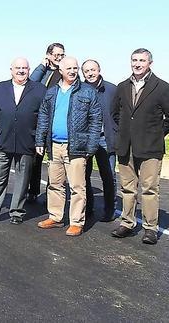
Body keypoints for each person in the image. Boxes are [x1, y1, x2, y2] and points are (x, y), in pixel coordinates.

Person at [35, 56, 102, 237]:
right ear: (61, 71)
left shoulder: (88, 92)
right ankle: (56, 217)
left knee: (77, 187)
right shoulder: (51, 92)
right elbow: (43, 117)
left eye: (75, 68)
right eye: (69, 68)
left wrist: (91, 146)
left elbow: (96, 120)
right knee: (55, 184)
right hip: (54, 145)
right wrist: (40, 140)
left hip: (77, 146)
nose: (73, 71)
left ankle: (76, 222)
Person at [110, 48, 169, 245]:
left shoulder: (161, 87)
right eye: (134, 60)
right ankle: (127, 223)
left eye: (142, 60)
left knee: (149, 189)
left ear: (149, 63)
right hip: (126, 146)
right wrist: (126, 132)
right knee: (127, 188)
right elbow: (115, 114)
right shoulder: (122, 86)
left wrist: (157, 134)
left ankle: (150, 228)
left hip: (150, 147)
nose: (137, 64)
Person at [0, 58, 46, 225]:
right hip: (3, 140)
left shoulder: (39, 90)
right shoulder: (0, 88)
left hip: (27, 142)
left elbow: (44, 118)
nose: (21, 71)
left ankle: (16, 212)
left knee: (23, 179)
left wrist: (40, 140)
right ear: (11, 69)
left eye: (24, 68)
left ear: (29, 70)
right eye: (17, 68)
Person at [28, 42, 66, 203]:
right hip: (37, 122)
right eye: (56, 54)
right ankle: (33, 190)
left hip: (54, 121)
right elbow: (31, 83)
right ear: (48, 55)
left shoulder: (63, 72)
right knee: (35, 159)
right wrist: (42, 66)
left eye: (62, 55)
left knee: (54, 160)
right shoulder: (42, 72)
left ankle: (53, 193)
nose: (59, 58)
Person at [81, 59, 118, 222]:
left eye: (93, 70)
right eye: (87, 71)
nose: (90, 73)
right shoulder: (79, 90)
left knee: (108, 176)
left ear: (99, 70)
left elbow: (120, 115)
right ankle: (88, 208)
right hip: (86, 139)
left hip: (106, 139)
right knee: (84, 176)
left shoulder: (112, 89)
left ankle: (110, 210)